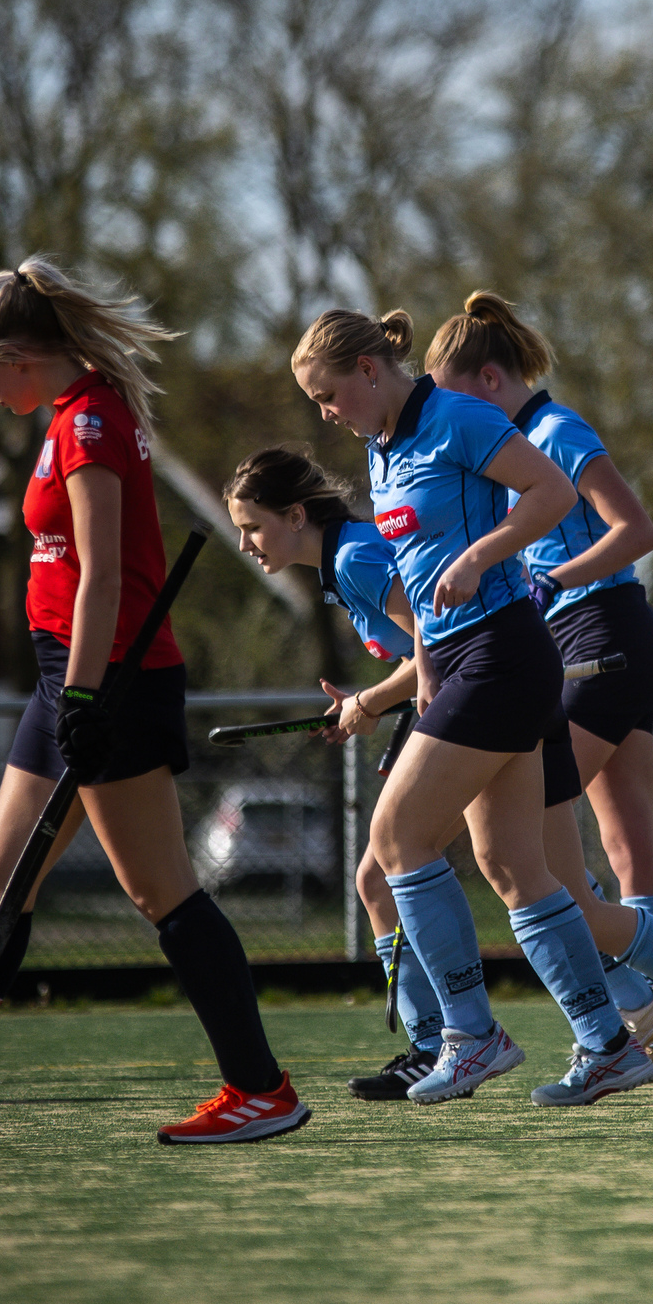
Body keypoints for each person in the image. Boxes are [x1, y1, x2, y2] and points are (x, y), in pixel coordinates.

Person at [0, 258, 309, 1149]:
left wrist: (81, 693)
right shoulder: (74, 413)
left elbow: (104, 576)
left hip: (108, 678)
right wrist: (62, 687)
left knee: (162, 894)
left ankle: (261, 1090)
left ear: (18, 355)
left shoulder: (93, 422)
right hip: (64, 677)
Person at [291, 306, 653, 1108]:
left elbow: (558, 495)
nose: (327, 414)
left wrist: (486, 556)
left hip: (513, 647)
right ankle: (615, 1040)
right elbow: (420, 594)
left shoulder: (462, 415)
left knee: (398, 841)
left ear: (365, 370)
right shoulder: (383, 451)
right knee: (517, 868)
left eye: (328, 395)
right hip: (470, 659)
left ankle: (472, 1034)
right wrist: (421, 670)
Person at [423, 291, 653, 1082]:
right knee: (625, 849)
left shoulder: (554, 431)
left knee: (539, 853)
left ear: (489, 379)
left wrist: (549, 577)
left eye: (450, 395)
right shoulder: (509, 440)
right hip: (602, 640)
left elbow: (636, 530)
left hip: (604, 637)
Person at [222, 445, 442, 1100]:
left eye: (253, 527)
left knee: (384, 876)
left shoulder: (354, 556)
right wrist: (363, 704)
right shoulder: (344, 559)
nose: (245, 544)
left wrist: (369, 702)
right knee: (538, 876)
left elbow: (435, 642)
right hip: (456, 702)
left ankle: (439, 1042)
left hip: (470, 703)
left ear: (295, 516)